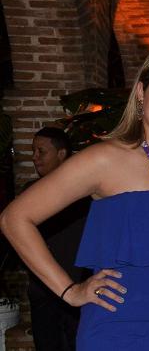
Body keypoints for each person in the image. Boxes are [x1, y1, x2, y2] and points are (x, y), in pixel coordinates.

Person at [0, 48, 149, 350]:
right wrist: (69, 291)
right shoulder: (105, 159)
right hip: (125, 330)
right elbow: (15, 218)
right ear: (142, 93)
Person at [26, 127, 90, 351]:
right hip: (44, 292)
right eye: (33, 152)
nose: (35, 158)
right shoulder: (30, 193)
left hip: (79, 289)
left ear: (61, 154)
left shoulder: (87, 193)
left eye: (41, 151)